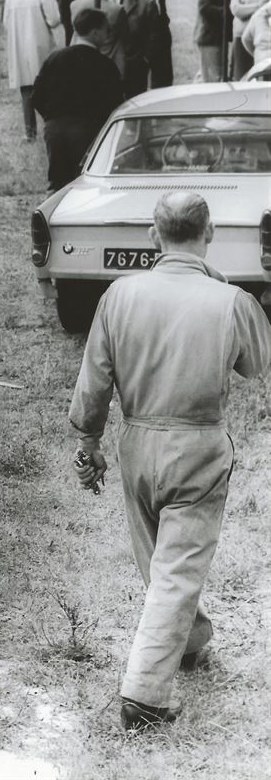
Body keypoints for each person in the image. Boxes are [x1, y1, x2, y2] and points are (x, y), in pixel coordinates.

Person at [69, 192, 271, 731]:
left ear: (154, 237)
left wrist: (88, 443)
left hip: (135, 443)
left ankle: (190, 643)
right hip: (198, 446)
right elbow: (257, 365)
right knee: (177, 567)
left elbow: (94, 380)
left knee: (161, 559)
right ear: (208, 236)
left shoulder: (118, 294)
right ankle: (145, 696)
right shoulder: (228, 300)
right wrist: (223, 287)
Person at [32, 8, 123, 193]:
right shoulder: (105, 64)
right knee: (84, 184)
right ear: (95, 32)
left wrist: (52, 118)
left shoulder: (55, 58)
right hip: (87, 130)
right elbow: (115, 103)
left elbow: (36, 96)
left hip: (55, 129)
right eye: (106, 30)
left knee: (57, 183)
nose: (108, 34)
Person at [4, 0, 61, 142]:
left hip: (20, 45)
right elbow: (54, 20)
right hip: (39, 43)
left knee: (26, 89)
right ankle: (51, 124)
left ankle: (29, 130)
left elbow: (6, 23)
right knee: (46, 86)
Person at [110, 0, 159, 98]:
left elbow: (154, 35)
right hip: (111, 63)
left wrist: (145, 59)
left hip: (136, 64)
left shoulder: (146, 3)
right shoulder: (105, 0)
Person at [229, 0, 271, 79]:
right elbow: (236, 10)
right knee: (241, 74)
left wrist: (248, 8)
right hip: (241, 35)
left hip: (261, 38)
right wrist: (260, 7)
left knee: (262, 74)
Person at [195, 0, 226, 83]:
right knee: (211, 77)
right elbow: (204, 7)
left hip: (216, 36)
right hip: (209, 36)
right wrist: (225, 11)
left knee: (214, 73)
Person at [240, 0, 271, 66]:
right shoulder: (258, 15)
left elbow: (245, 38)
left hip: (260, 60)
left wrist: (256, 54)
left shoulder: (258, 14)